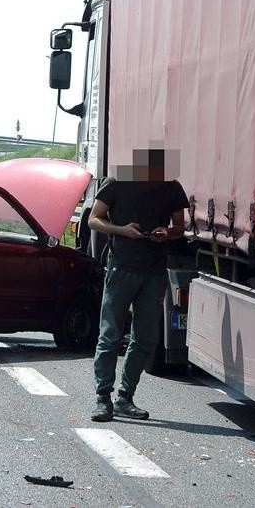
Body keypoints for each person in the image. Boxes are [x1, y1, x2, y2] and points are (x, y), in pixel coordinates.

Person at [87, 175, 188, 422]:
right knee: (109, 335)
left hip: (154, 272)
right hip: (120, 268)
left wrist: (166, 232)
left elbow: (180, 228)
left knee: (145, 338)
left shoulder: (171, 187)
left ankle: (125, 397)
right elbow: (93, 219)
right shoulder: (117, 182)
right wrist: (121, 230)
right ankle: (103, 398)